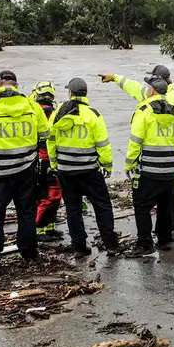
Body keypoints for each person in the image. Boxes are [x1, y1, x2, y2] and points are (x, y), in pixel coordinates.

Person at [0, 70, 50, 271]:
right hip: (26, 170)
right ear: (16, 85)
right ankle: (29, 253)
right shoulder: (32, 106)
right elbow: (45, 133)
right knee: (27, 213)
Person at [99, 65, 174, 241]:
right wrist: (115, 77)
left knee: (166, 197)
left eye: (152, 78)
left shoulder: (170, 99)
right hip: (166, 156)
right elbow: (134, 87)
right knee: (166, 195)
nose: (147, 85)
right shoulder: (157, 94)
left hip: (162, 157)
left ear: (157, 82)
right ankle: (164, 235)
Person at [48, 78, 120, 257]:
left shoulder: (58, 113)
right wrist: (107, 165)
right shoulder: (93, 115)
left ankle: (79, 246)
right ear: (85, 93)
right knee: (102, 207)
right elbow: (103, 144)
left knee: (73, 209)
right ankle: (111, 245)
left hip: (66, 171)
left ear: (70, 93)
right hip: (89, 171)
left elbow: (51, 141)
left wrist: (55, 164)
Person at [124, 78, 174, 256]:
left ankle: (145, 244)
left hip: (149, 170)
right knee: (165, 205)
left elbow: (135, 141)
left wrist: (129, 164)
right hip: (168, 170)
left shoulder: (144, 110)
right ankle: (164, 240)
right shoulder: (173, 111)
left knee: (142, 206)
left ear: (151, 91)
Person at [30, 81, 64, 241]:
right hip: (47, 159)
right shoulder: (52, 113)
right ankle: (39, 230)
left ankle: (48, 227)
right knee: (50, 195)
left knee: (45, 194)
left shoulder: (31, 111)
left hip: (38, 159)